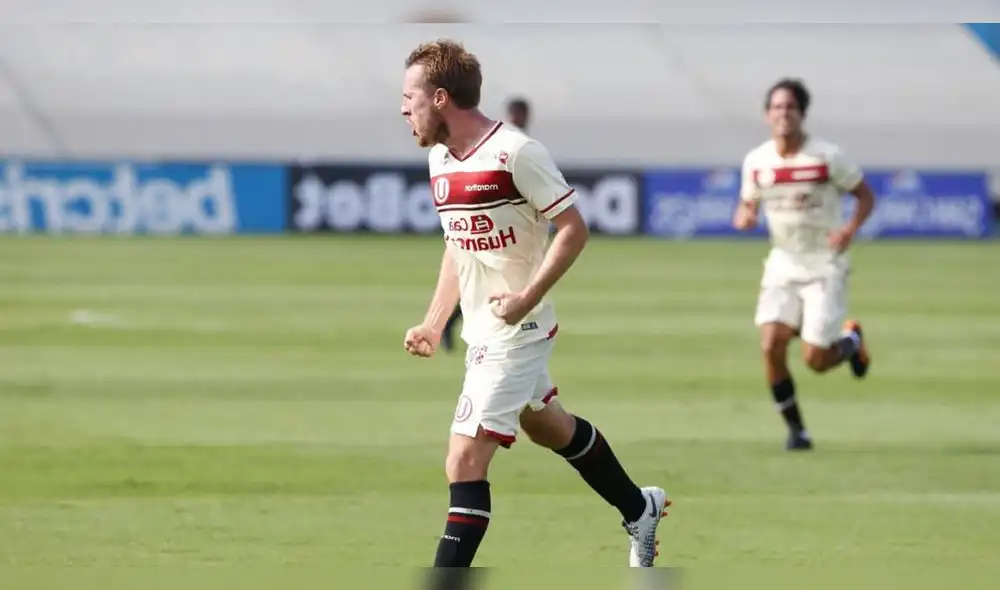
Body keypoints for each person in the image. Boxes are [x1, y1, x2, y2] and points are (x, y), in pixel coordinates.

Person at [400, 39, 669, 572]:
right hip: (482, 328)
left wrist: (527, 297)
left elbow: (573, 229)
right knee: (549, 427)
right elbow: (459, 244)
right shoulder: (439, 161)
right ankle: (640, 507)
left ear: (439, 98)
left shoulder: (517, 153)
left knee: (463, 461)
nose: (402, 109)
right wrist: (434, 322)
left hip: (516, 332)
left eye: (408, 97)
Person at [733, 78, 875, 452]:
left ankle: (851, 341)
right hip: (782, 262)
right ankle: (797, 432)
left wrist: (849, 229)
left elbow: (865, 196)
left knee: (816, 359)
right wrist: (744, 215)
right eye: (777, 108)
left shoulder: (827, 157)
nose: (783, 114)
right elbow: (747, 204)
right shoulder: (757, 161)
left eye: (790, 108)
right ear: (767, 115)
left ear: (802, 114)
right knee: (770, 344)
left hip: (824, 264)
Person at [440, 96, 532, 353]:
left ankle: (464, 325)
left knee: (497, 285)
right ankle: (457, 324)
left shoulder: (520, 143)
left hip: (513, 231)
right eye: (518, 114)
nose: (521, 119)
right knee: (487, 285)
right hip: (495, 230)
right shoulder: (503, 142)